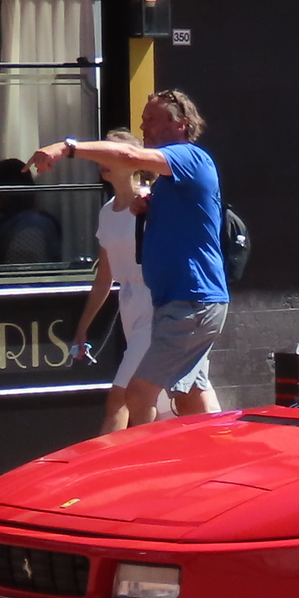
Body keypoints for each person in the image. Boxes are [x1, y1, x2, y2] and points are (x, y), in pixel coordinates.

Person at [29, 90, 223, 422]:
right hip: (176, 302)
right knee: (188, 396)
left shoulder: (190, 157)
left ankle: (144, 470)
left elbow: (129, 155)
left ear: (181, 124)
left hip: (190, 302)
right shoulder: (165, 181)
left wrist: (67, 147)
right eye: (143, 119)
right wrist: (148, 206)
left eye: (152, 120)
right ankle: (216, 459)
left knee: (136, 393)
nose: (144, 127)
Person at [66, 128, 206, 433]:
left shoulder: (150, 203)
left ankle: (104, 472)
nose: (104, 162)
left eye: (111, 154)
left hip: (156, 304)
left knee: (120, 398)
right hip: (130, 307)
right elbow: (104, 278)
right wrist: (83, 326)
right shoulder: (106, 212)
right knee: (167, 399)